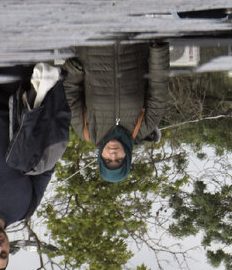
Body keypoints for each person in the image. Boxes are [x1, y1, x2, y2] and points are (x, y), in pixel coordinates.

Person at [0, 67, 57, 270]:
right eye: (4, 253)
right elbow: (46, 162)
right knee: (14, 39)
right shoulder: (25, 208)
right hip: (14, 99)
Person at [63, 42, 169, 182]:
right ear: (127, 157)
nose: (113, 155)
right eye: (118, 160)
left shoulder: (86, 130)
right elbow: (158, 87)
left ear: (101, 157)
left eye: (108, 160)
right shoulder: (145, 126)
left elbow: (70, 97)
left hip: (92, 41)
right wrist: (158, 52)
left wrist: (73, 73)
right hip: (133, 40)